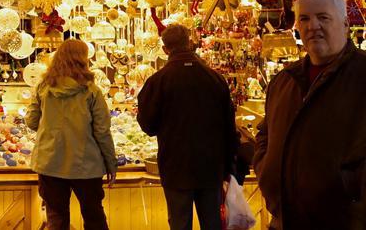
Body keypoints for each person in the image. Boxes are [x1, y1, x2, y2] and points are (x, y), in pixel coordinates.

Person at [254, 0, 366, 229]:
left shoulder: (362, 75)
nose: (313, 25)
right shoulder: (284, 81)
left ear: (345, 25)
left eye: (323, 18)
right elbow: (265, 133)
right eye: (304, 18)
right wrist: (265, 169)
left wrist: (351, 191)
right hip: (284, 220)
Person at [136, 24, 238, 230]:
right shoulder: (215, 79)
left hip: (175, 166)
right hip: (211, 166)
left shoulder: (157, 82)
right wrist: (229, 166)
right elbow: (229, 125)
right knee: (212, 223)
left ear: (165, 50)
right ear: (190, 43)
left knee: (180, 223)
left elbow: (148, 126)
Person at [26, 38, 116, 230]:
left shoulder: (43, 87)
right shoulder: (92, 91)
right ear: (83, 59)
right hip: (86, 164)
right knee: (94, 217)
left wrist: (51, 131)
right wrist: (111, 163)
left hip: (50, 162)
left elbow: (31, 121)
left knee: (56, 217)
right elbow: (102, 132)